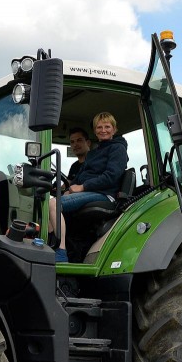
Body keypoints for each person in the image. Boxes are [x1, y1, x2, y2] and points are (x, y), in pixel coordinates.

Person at [48, 112, 128, 262]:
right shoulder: (94, 153)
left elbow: (111, 177)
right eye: (99, 127)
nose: (103, 130)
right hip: (90, 191)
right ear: (95, 130)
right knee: (48, 205)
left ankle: (61, 252)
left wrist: (83, 187)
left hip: (105, 194)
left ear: (114, 129)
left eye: (107, 126)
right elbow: (79, 177)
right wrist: (66, 190)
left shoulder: (118, 149)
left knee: (54, 204)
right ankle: (50, 246)